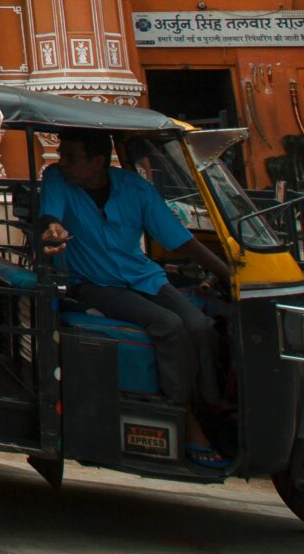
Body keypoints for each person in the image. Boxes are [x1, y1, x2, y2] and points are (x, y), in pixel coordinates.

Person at [37, 128, 237, 466]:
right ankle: (184, 417)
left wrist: (230, 276)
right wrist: (52, 231)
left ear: (98, 161)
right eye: (62, 155)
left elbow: (181, 241)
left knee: (200, 326)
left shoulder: (135, 189)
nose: (63, 162)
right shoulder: (57, 178)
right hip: (94, 283)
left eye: (71, 156)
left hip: (143, 276)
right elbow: (51, 218)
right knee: (169, 325)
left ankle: (210, 402)